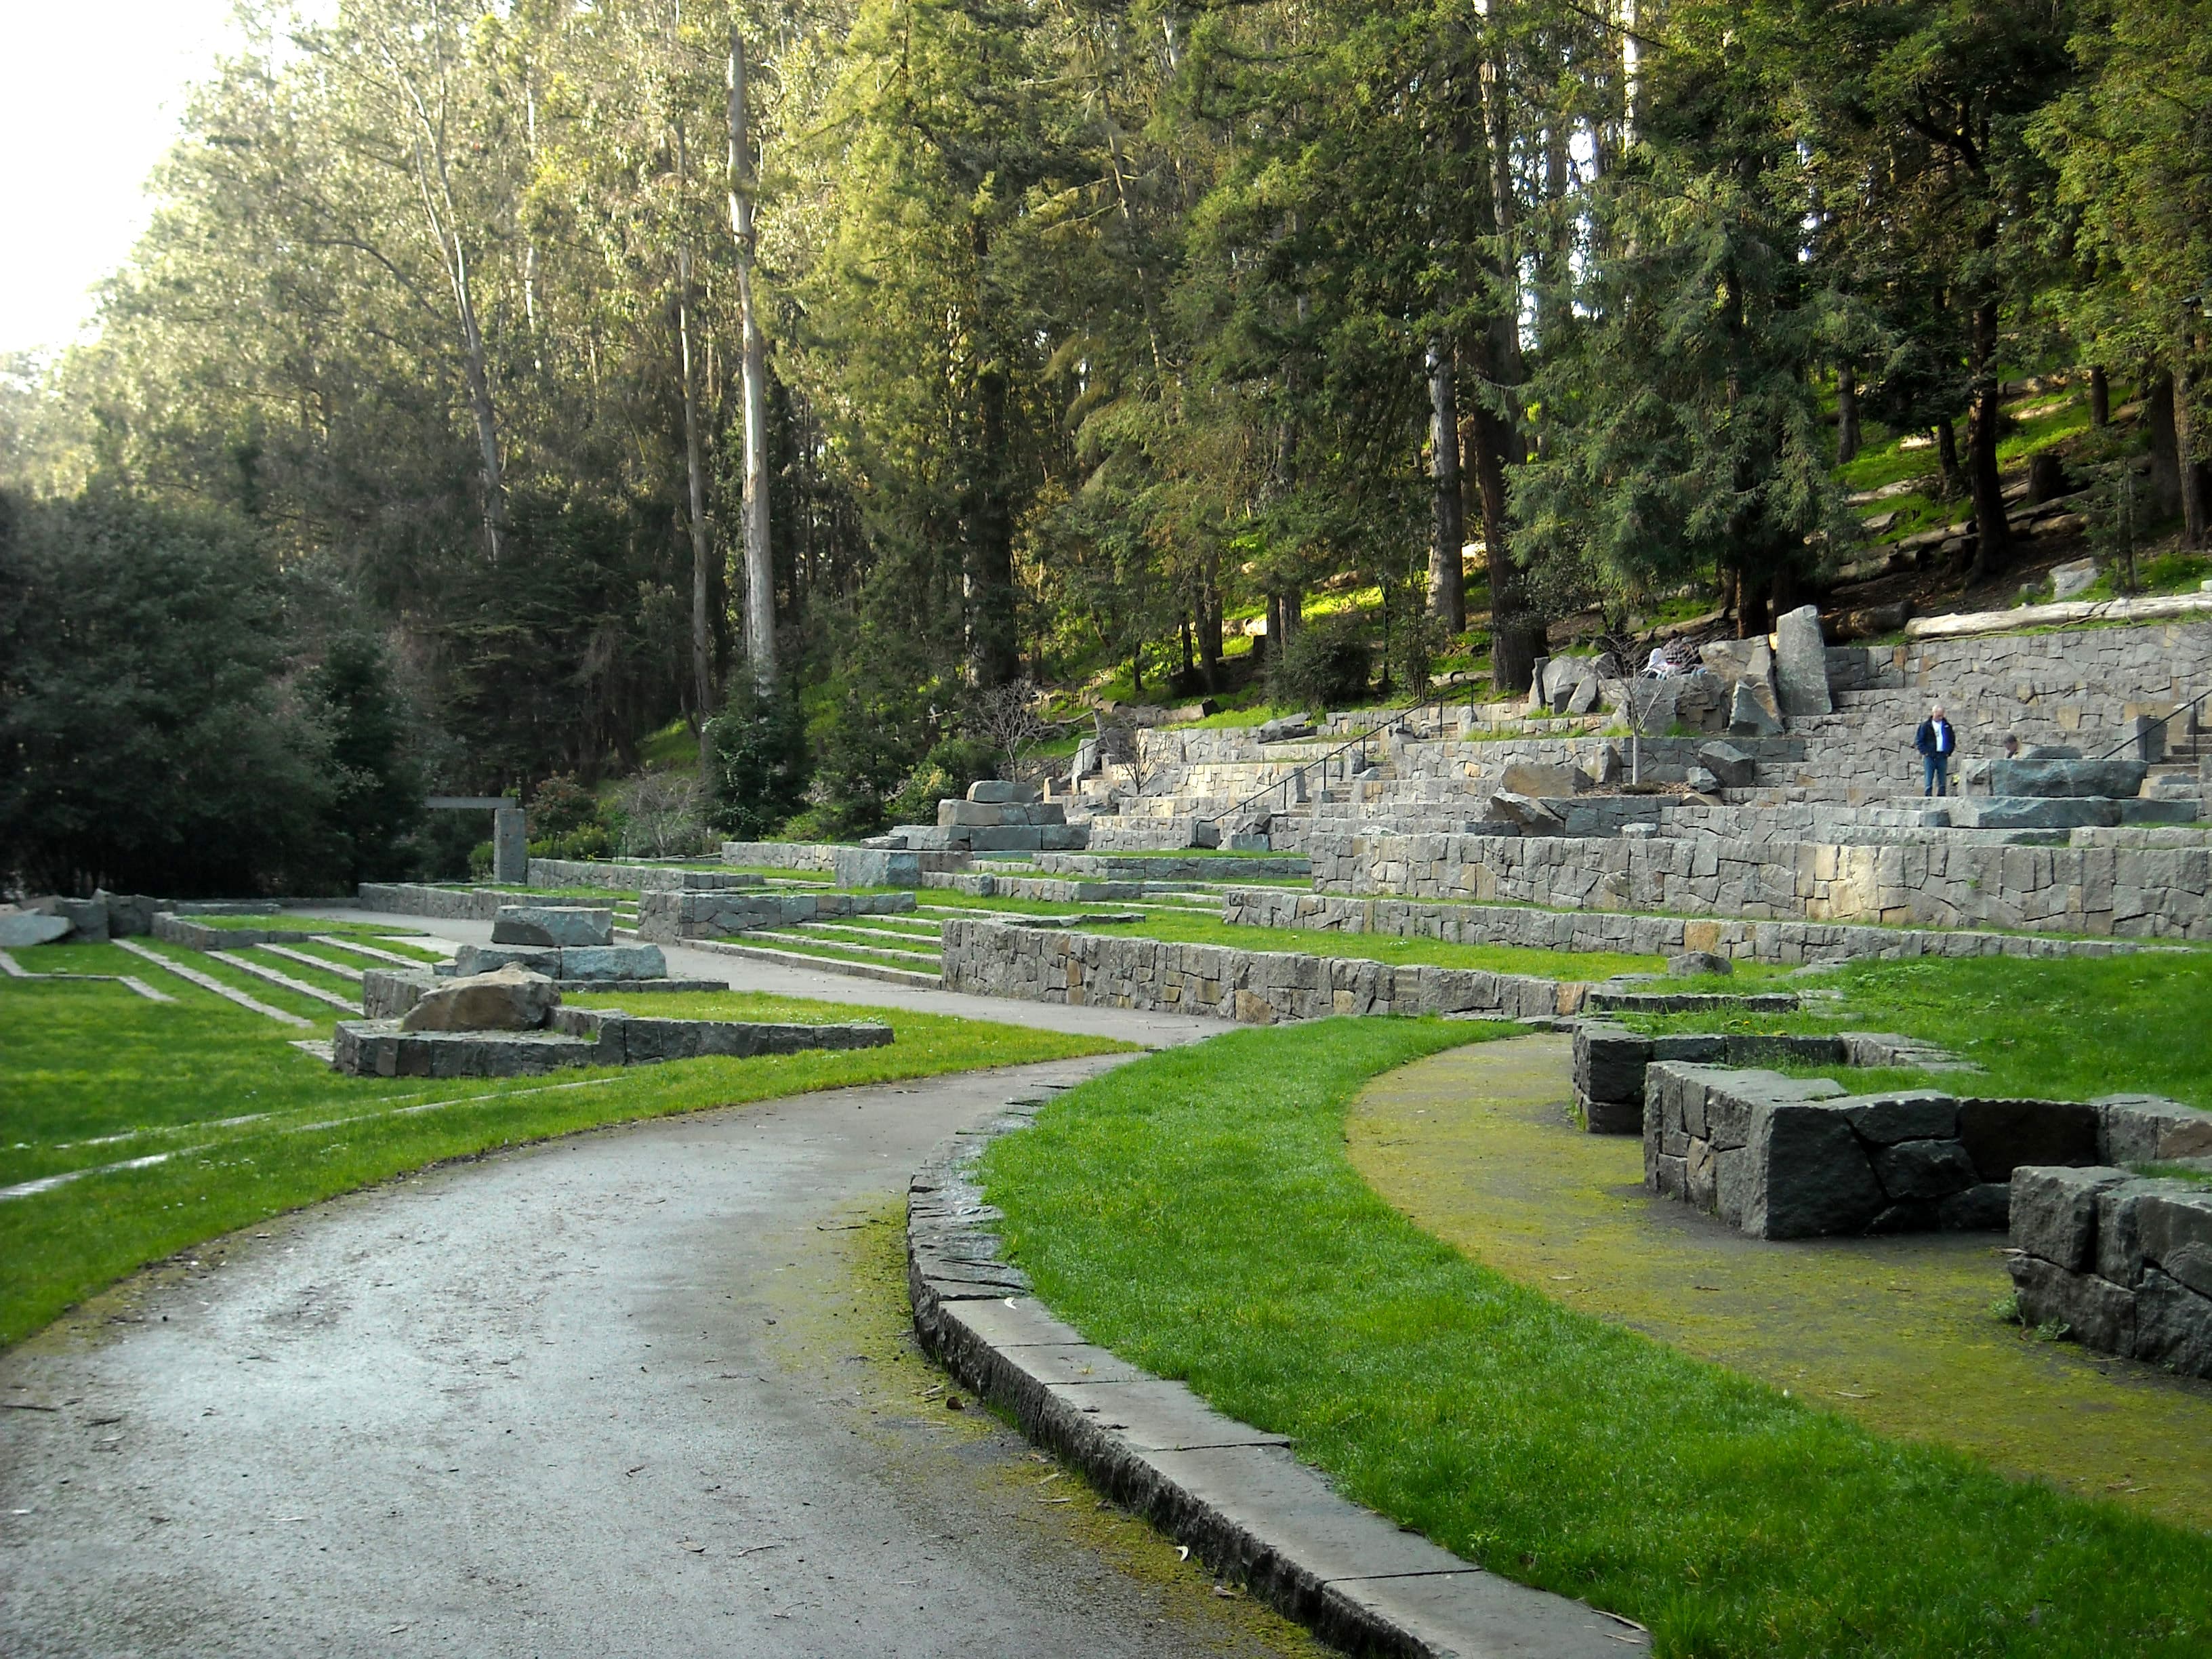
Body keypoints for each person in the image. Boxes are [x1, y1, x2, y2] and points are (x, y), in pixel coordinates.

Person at [1915, 705, 1958, 796]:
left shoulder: (1947, 726)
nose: (1941, 717)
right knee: (1929, 776)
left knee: (1942, 777)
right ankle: (1928, 795)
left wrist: (1948, 752)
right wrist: (1925, 752)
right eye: (1939, 715)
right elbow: (1919, 740)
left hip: (1942, 755)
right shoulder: (1926, 726)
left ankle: (1942, 795)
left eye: (1942, 715)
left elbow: (1952, 740)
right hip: (1930, 755)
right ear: (1933, 713)